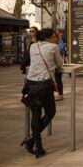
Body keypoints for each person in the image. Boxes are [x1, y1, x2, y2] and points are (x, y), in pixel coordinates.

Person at [21, 28, 63, 158]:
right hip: (44, 84)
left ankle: (37, 146)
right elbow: (59, 63)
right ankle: (32, 140)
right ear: (48, 37)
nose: (56, 38)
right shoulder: (53, 47)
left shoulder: (33, 46)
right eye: (54, 36)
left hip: (31, 84)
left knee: (35, 114)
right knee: (50, 112)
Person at [54, 32, 65, 101]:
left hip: (57, 64)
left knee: (58, 80)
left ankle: (60, 94)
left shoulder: (59, 41)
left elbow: (60, 48)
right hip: (52, 64)